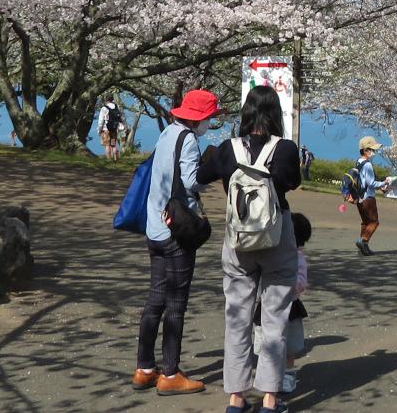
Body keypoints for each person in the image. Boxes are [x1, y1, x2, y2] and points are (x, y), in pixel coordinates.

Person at [198, 84, 302, 412]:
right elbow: (292, 182)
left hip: (238, 238)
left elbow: (201, 175)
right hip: (275, 234)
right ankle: (270, 399)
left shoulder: (227, 150)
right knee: (274, 316)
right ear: (275, 114)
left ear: (246, 113)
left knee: (237, 316)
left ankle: (236, 397)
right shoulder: (285, 148)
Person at [133, 87, 220, 394]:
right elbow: (192, 181)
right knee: (176, 304)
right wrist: (213, 168)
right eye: (210, 117)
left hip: (155, 228)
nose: (210, 121)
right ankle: (169, 373)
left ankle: (144, 368)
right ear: (201, 118)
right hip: (177, 232)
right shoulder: (190, 141)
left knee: (155, 299)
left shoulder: (168, 133)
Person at [281, 212, 311, 394]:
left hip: (290, 306)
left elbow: (301, 282)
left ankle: (288, 375)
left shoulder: (298, 258)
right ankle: (270, 374)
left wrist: (287, 283)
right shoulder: (272, 254)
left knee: (289, 346)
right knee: (267, 344)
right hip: (268, 304)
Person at [345, 135, 384, 255]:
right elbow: (371, 183)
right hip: (368, 198)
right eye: (372, 150)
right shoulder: (368, 165)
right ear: (366, 150)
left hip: (360, 198)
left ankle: (363, 248)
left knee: (365, 222)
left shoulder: (358, 162)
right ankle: (363, 241)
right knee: (374, 222)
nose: (374, 152)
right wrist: (384, 183)